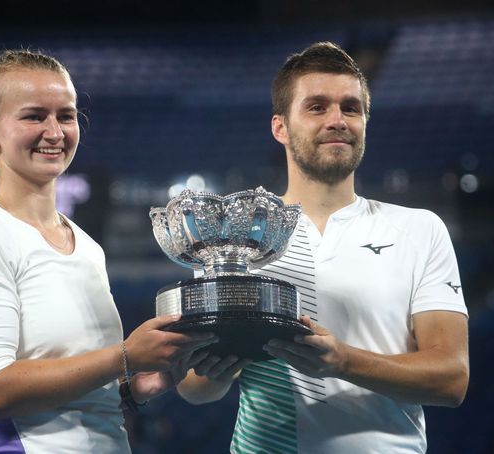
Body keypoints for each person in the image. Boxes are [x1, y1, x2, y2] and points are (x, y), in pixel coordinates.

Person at [177, 41, 469, 453]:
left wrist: (343, 361)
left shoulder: (419, 229)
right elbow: (195, 390)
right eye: (316, 107)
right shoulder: (236, 239)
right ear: (280, 127)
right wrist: (217, 370)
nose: (337, 120)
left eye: (351, 108)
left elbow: (451, 378)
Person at [0, 49, 216, 453]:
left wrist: (142, 384)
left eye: (66, 115)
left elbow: (82, 391)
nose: (55, 131)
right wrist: (125, 357)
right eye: (34, 116)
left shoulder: (87, 248)